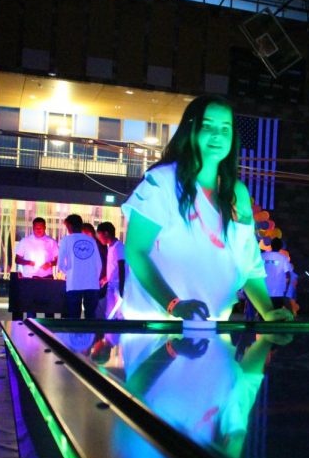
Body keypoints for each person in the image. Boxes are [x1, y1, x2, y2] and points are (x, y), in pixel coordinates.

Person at [121, 95, 291, 322]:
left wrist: (269, 312)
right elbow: (135, 250)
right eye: (208, 126)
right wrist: (175, 305)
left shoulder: (236, 193)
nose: (217, 136)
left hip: (215, 333)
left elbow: (250, 265)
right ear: (191, 129)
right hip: (157, 331)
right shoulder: (162, 182)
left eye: (225, 128)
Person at [13, 216, 59, 319]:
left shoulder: (51, 242)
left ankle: (49, 329)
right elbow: (17, 259)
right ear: (32, 228)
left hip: (46, 278)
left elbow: (57, 259)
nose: (38, 230)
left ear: (45, 227)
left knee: (48, 306)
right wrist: (28, 262)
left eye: (40, 228)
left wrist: (50, 264)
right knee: (31, 306)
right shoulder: (25, 241)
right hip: (30, 279)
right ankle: (32, 328)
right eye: (36, 228)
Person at [58, 214, 102, 319]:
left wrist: (68, 273)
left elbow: (60, 264)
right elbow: (98, 263)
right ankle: (91, 335)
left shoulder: (66, 240)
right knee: (91, 316)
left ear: (69, 226)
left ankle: (75, 335)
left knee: (74, 316)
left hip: (74, 282)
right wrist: (95, 277)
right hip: (92, 283)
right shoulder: (91, 240)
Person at [96, 222, 126, 319]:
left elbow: (122, 267)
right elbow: (114, 267)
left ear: (106, 233)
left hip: (117, 286)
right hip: (112, 285)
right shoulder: (111, 247)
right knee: (110, 313)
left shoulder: (119, 247)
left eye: (99, 235)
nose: (99, 239)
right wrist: (106, 278)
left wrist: (121, 288)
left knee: (117, 314)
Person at [262, 238, 292, 310]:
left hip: (264, 291)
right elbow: (287, 275)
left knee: (264, 315)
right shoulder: (283, 258)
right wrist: (286, 289)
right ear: (281, 247)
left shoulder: (262, 256)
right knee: (276, 314)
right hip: (278, 291)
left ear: (271, 245)